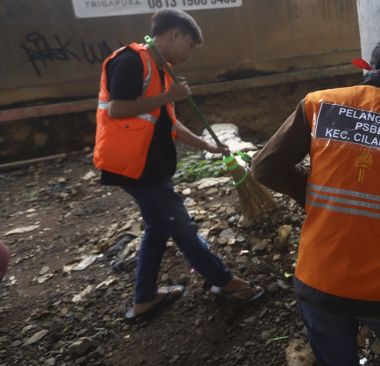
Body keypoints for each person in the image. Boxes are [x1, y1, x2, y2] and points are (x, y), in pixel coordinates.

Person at [252, 34, 380, 365]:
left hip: (321, 278)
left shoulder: (318, 104)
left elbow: (264, 168)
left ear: (373, 66)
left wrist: (315, 198)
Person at [93, 9, 263, 322]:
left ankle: (144, 299)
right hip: (134, 166)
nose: (189, 53)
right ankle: (225, 282)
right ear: (174, 35)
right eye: (189, 45)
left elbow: (169, 123)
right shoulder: (130, 61)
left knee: (158, 227)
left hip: (150, 165)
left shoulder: (161, 70)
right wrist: (168, 95)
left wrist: (208, 145)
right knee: (182, 227)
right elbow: (117, 109)